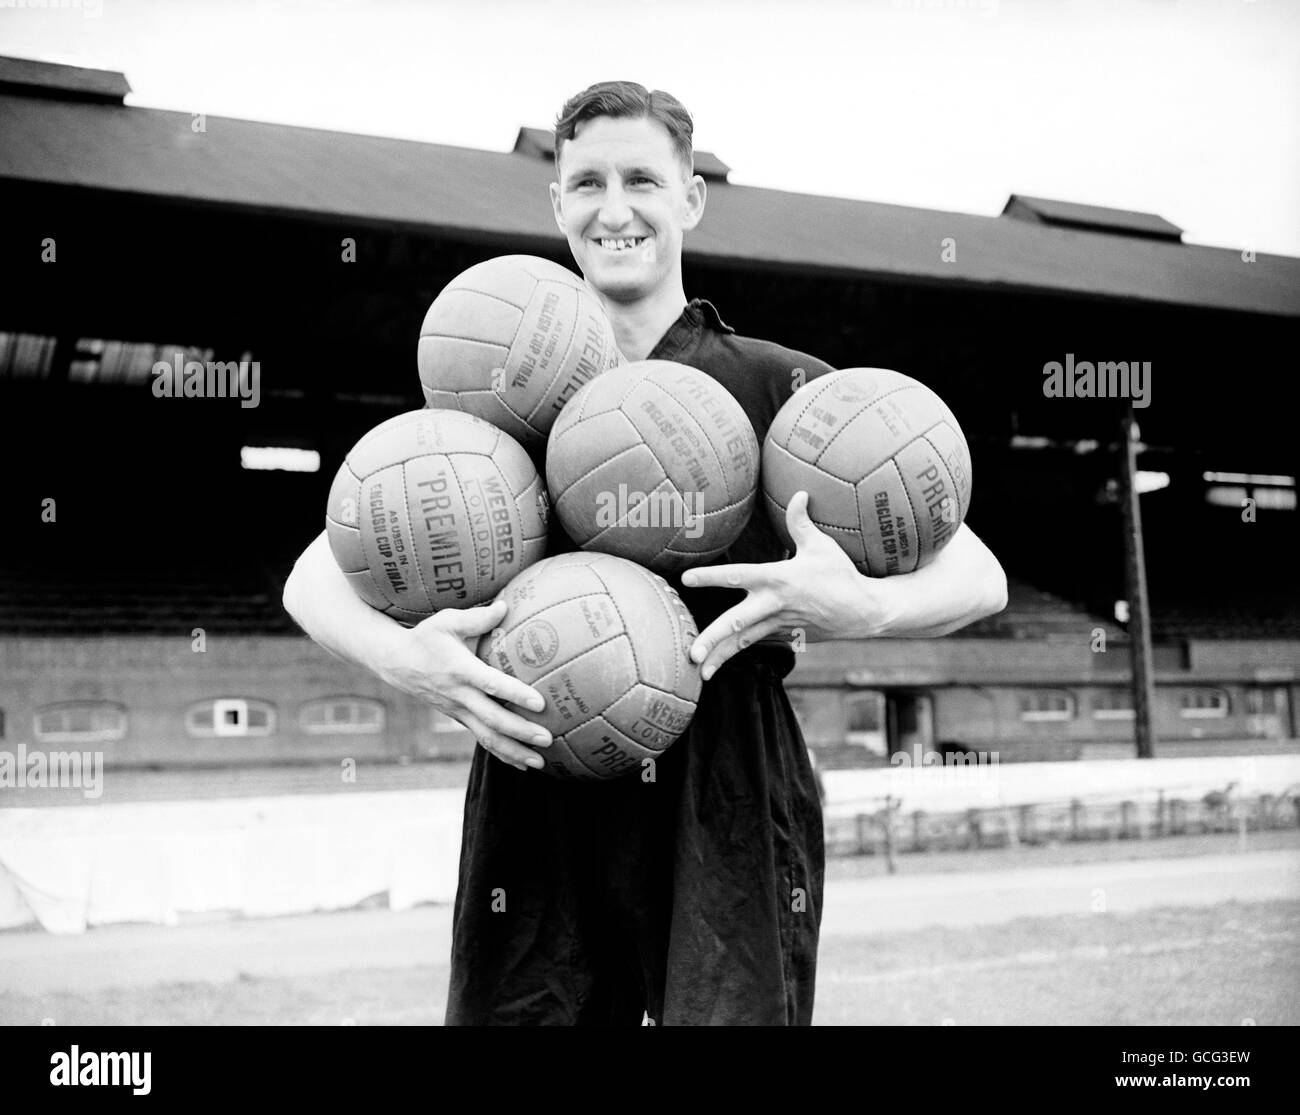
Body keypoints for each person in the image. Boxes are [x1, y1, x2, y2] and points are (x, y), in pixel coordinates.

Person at [283, 81, 1008, 1025]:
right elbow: (314, 576)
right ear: (556, 204)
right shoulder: (497, 402)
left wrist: (863, 607)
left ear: (690, 196)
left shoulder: (779, 388)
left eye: (641, 179)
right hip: (538, 770)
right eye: (586, 182)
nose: (613, 208)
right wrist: (406, 659)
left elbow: (977, 572)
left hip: (726, 782)